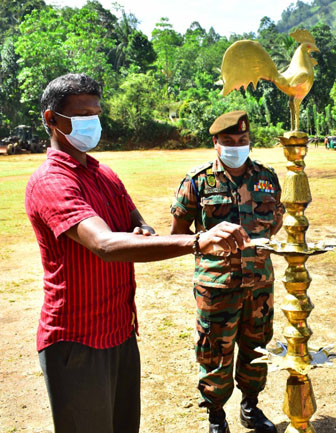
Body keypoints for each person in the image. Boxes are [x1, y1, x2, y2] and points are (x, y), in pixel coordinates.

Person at [25, 73, 248, 433]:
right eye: (82, 115)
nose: (92, 123)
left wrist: (142, 231)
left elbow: (136, 223)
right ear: (51, 120)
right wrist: (197, 241)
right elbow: (105, 244)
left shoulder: (103, 174)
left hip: (120, 331)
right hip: (77, 340)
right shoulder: (52, 181)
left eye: (95, 113)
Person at [171, 110, 284, 433]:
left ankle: (250, 406)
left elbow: (274, 222)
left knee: (257, 348)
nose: (237, 146)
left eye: (243, 141)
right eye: (229, 141)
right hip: (216, 286)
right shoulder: (198, 181)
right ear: (216, 143)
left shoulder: (267, 177)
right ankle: (216, 417)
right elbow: (179, 235)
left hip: (260, 285)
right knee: (214, 354)